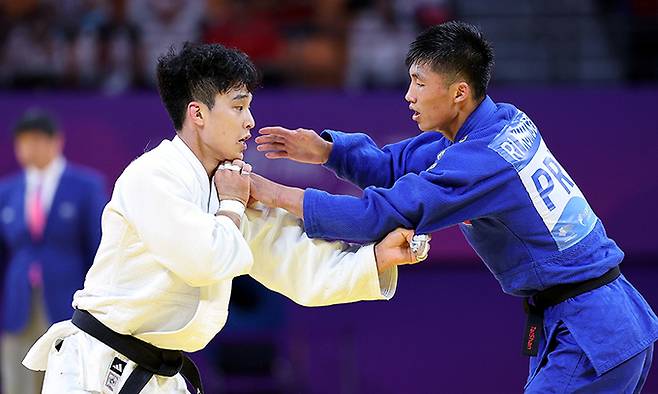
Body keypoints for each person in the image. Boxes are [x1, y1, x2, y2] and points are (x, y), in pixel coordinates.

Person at [252, 21, 658, 392]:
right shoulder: (495, 123)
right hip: (597, 320)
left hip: (591, 330)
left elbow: (378, 216)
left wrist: (270, 192)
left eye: (418, 83)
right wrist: (327, 150)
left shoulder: (482, 160)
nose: (408, 95)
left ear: (458, 91)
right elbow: (392, 165)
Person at [22, 43, 422, 394]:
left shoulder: (228, 184)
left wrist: (376, 259)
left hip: (160, 373)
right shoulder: (153, 176)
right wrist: (231, 204)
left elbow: (296, 265)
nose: (249, 121)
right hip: (95, 371)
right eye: (238, 106)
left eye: (249, 106)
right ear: (197, 113)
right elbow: (205, 261)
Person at [0, 109, 106, 394]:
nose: (27, 148)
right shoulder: (7, 191)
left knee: (65, 382)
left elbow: (97, 249)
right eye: (22, 141)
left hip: (67, 304)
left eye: (35, 140)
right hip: (18, 304)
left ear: (55, 141)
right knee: (16, 384)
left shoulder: (85, 186)